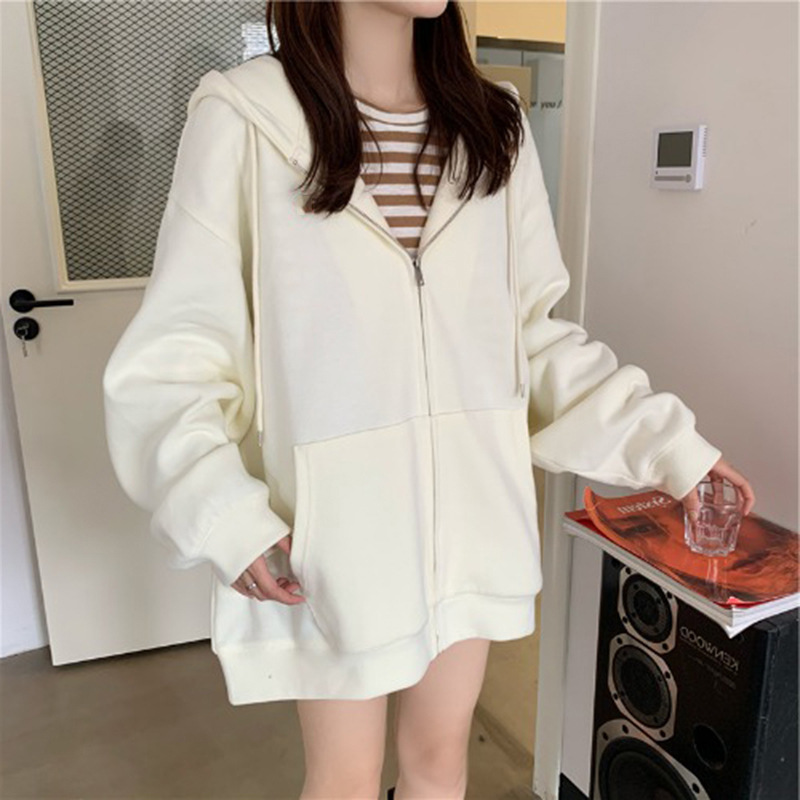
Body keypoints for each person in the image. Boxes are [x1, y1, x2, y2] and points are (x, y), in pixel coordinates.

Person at [102, 2, 756, 798]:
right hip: (336, 539)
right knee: (343, 780)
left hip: (474, 524)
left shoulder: (493, 125)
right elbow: (175, 359)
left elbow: (532, 340)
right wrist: (222, 514)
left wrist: (669, 447)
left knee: (440, 763)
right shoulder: (245, 118)